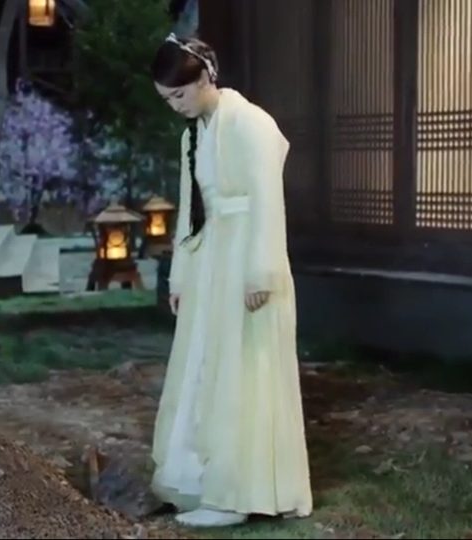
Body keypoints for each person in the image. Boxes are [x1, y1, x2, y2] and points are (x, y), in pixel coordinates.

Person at [148, 32, 314, 528]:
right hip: (211, 258)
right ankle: (202, 480)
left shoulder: (251, 123)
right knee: (205, 363)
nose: (176, 106)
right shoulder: (193, 135)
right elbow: (190, 208)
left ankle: (238, 493)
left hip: (246, 253)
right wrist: (180, 275)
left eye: (180, 95)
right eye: (167, 100)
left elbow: (267, 200)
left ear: (205, 78)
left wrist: (261, 270)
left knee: (246, 367)